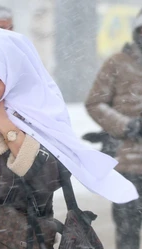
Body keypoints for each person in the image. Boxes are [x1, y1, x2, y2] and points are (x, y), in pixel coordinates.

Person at [0, 24, 138, 248]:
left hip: (20, 238)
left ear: (14, 73)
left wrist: (7, 129)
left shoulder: (37, 109)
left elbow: (50, 179)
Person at [85, 9, 142, 249]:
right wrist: (127, 125)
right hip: (128, 163)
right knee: (127, 232)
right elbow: (95, 102)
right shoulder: (117, 63)